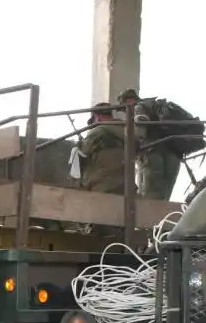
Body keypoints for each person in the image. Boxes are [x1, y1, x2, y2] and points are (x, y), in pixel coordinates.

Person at [70, 103, 135, 240]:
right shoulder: (127, 130)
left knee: (99, 230)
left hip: (102, 189)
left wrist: (79, 144)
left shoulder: (98, 131)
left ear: (97, 117)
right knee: (119, 229)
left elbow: (83, 153)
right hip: (126, 189)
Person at [117, 88, 182, 201]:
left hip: (152, 154)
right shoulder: (155, 107)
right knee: (165, 194)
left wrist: (132, 148)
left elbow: (140, 129)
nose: (125, 112)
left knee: (149, 194)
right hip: (173, 154)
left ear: (129, 101)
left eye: (124, 108)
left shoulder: (139, 108)